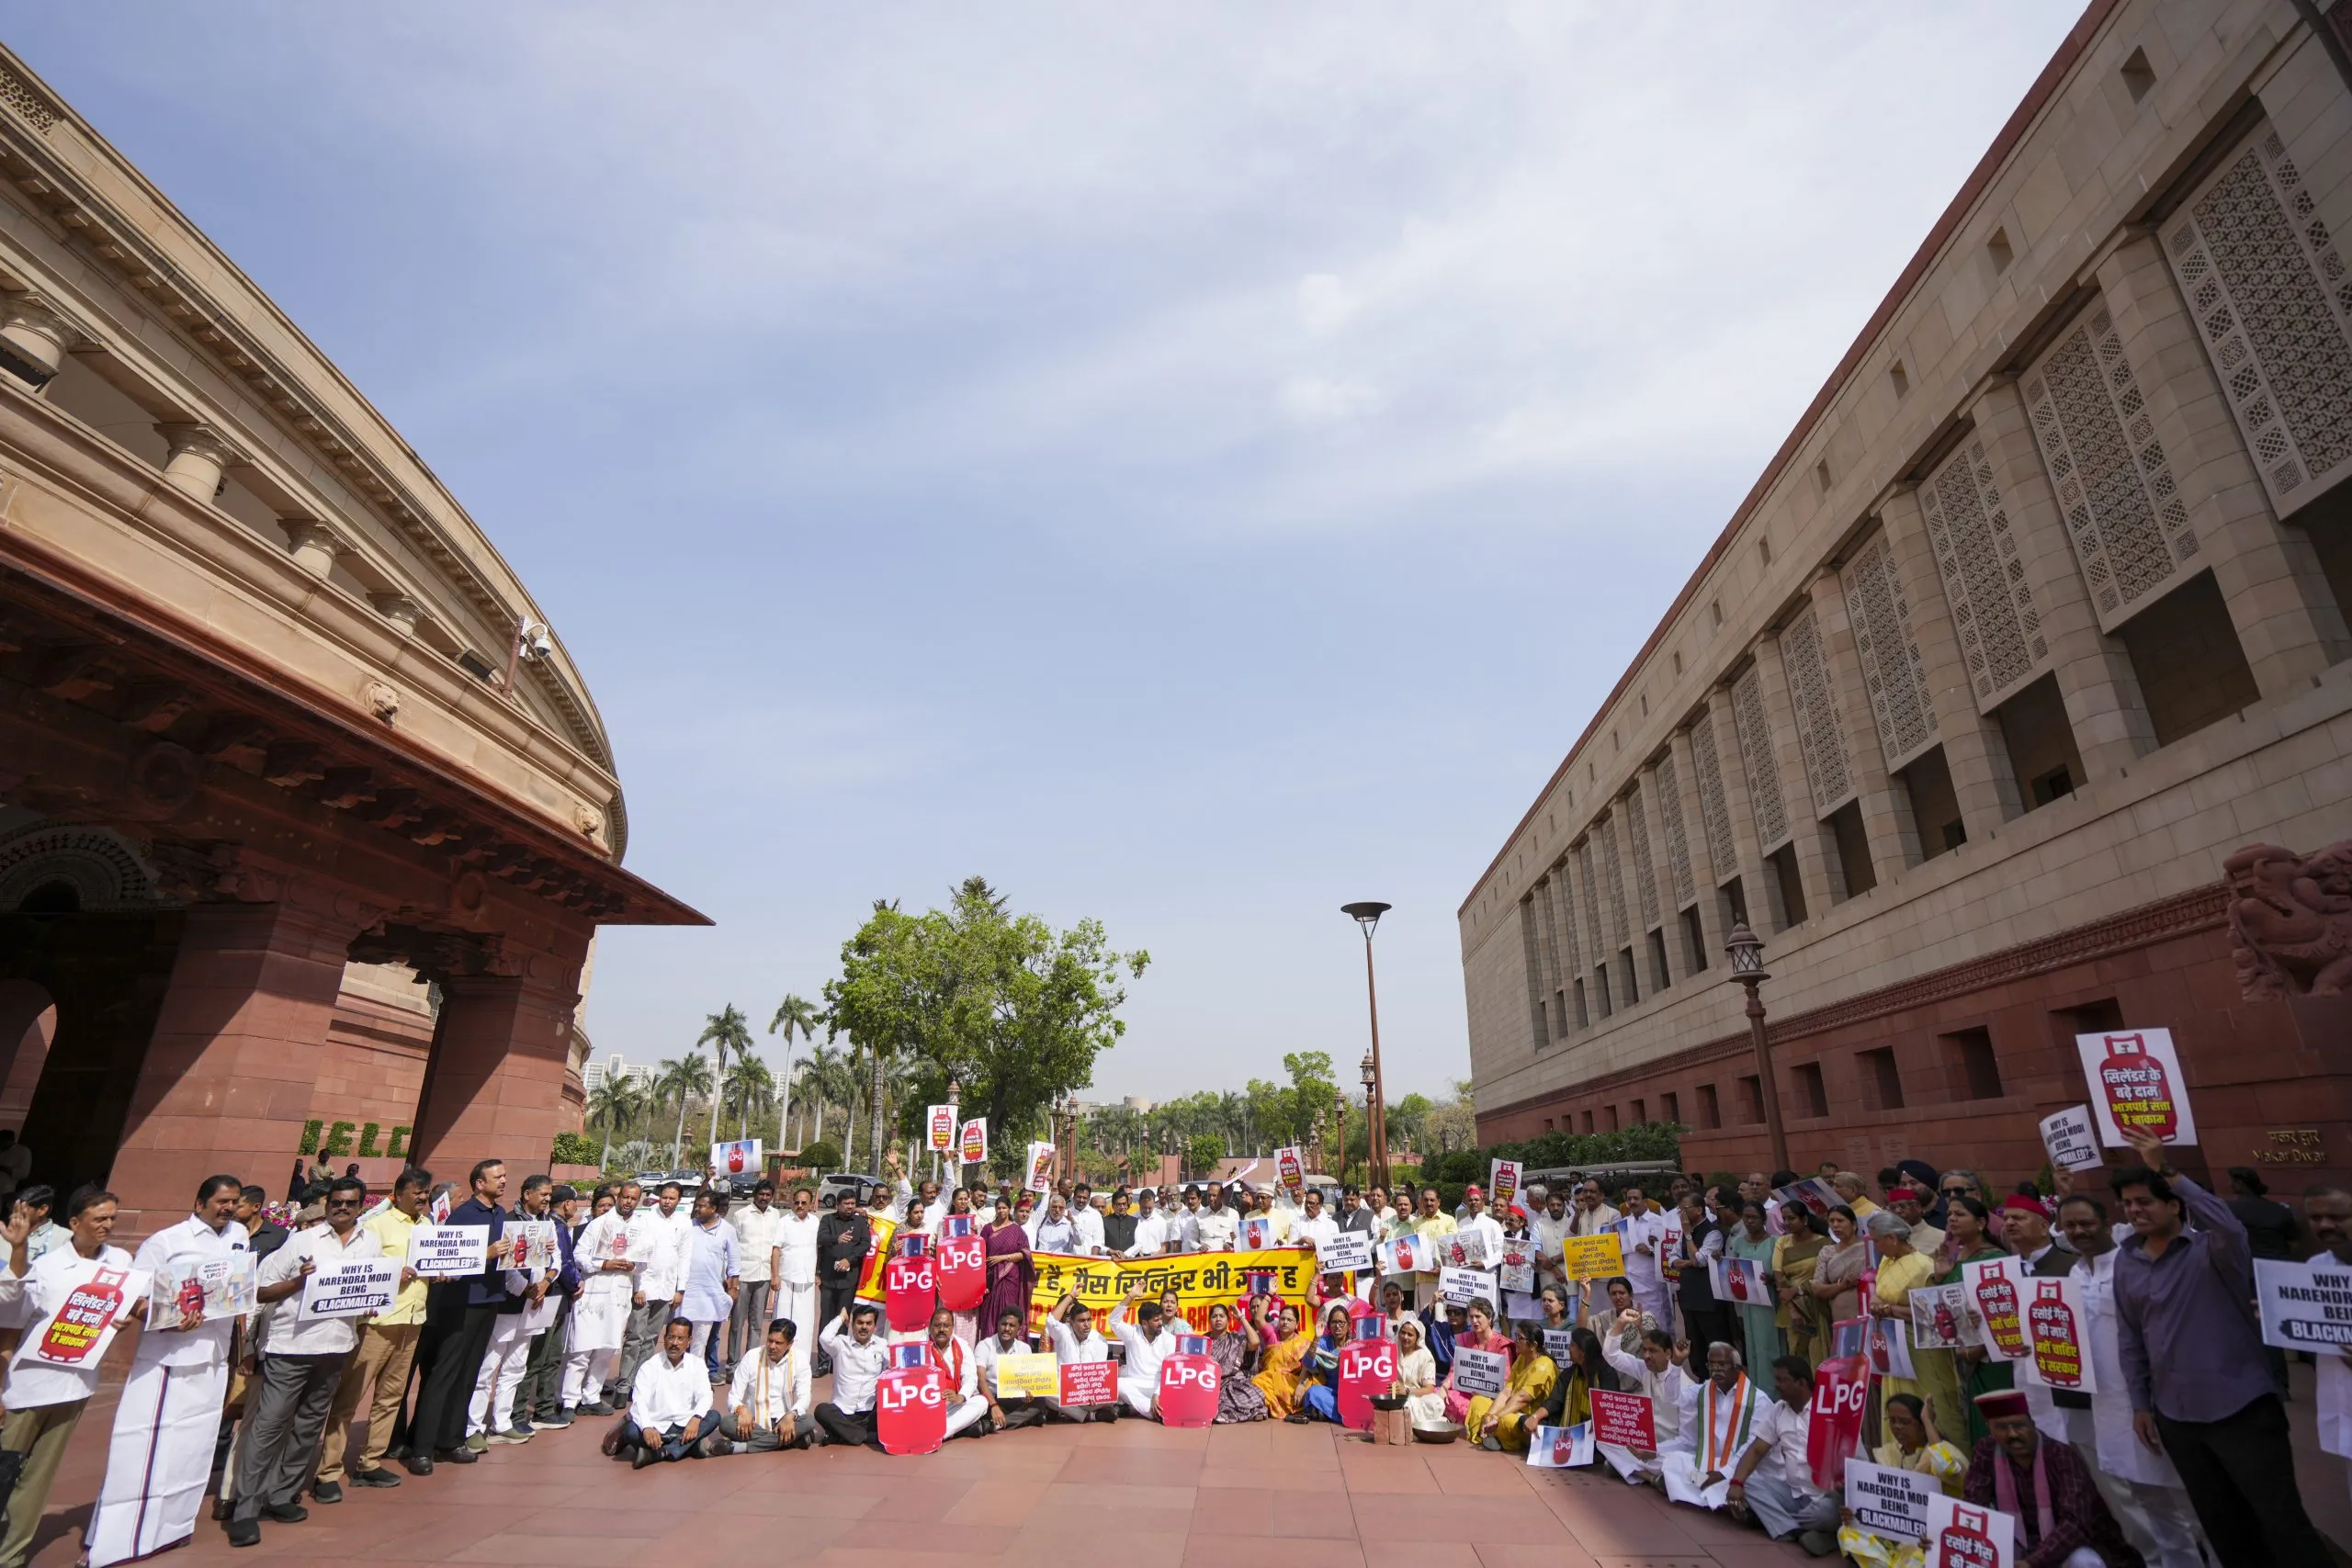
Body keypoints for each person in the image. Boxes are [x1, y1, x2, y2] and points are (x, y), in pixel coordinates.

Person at [2109, 1131, 2324, 1566]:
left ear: (2174, 1205)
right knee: (2222, 1524)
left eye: (2144, 1201)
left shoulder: (2215, 1250)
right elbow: (2131, 1338)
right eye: (2127, 1204)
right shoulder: (2126, 1261)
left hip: (2242, 1409)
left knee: (2281, 1521)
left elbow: (2226, 1223)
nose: (2134, 1210)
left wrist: (2165, 1168)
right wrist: (2141, 1404)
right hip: (2176, 1417)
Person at [87, 1175, 252, 1568]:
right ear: (199, 1204)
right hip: (168, 1360)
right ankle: (120, 1539)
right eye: (222, 1202)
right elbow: (135, 1296)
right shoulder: (166, 1242)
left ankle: (171, 1530)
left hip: (213, 1357)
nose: (229, 1208)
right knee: (145, 1447)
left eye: (234, 1201)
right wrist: (168, 1318)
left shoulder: (239, 1236)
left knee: (193, 1448)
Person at [2041, 1190, 2203, 1568]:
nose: (2079, 1231)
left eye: (2086, 1223)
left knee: (2191, 1499)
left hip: (2155, 1401)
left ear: (2106, 1223)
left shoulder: (2132, 1265)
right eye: (2070, 1225)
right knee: (2147, 1501)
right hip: (2108, 1408)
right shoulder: (2074, 1275)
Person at [228, 1175, 379, 1542]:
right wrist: (299, 1282)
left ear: (361, 1206)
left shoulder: (371, 1242)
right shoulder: (302, 1241)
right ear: (327, 1204)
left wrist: (370, 1301)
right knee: (269, 1425)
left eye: (350, 1203)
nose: (342, 1208)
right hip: (291, 1348)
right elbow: (261, 1291)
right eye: (336, 1202)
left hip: (336, 1346)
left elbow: (365, 1286)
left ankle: (282, 1495)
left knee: (309, 1426)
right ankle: (246, 1508)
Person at [0, 1188, 130, 1568]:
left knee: (37, 1479)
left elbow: (131, 1301)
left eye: (112, 1218)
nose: (107, 1225)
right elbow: (10, 1320)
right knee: (5, 1468)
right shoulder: (47, 1267)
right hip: (25, 1387)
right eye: (99, 1219)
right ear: (75, 1223)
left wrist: (127, 1316)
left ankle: (10, 1556)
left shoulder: (121, 1261)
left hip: (75, 1386)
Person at [313, 1166, 429, 1495]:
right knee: (350, 1397)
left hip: (412, 1320)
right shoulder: (375, 1226)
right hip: (377, 1323)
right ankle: (328, 1471)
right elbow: (361, 1271)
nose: (422, 1197)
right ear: (399, 1194)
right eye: (417, 1192)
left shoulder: (428, 1226)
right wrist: (393, 1275)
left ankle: (370, 1462)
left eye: (426, 1192)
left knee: (391, 1397)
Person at [407, 1158, 518, 1468]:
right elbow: (448, 1257)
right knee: (445, 1372)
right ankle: (422, 1448)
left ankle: (452, 1439)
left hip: (490, 1299)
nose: (503, 1181)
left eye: (504, 1176)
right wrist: (486, 1253)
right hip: (461, 1303)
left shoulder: (500, 1214)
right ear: (479, 1183)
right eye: (497, 1177)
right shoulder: (464, 1215)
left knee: (470, 1373)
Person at [1963, 1389, 2143, 1567]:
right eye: (2002, 1428)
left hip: (2070, 1545)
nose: (2013, 1434)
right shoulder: (1986, 1451)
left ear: (2033, 1423)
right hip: (2023, 1544)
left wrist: (2032, 1563)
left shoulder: (2060, 1456)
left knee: (2083, 1562)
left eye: (2019, 1425)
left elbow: (2075, 1524)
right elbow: (1973, 1504)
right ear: (1990, 1428)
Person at [468, 1174, 553, 1450]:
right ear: (527, 1194)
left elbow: (556, 1259)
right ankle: (473, 1426)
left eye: (550, 1195)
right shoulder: (507, 1221)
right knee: (488, 1366)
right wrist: (525, 1288)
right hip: (508, 1305)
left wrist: (545, 1282)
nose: (547, 1199)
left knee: (516, 1366)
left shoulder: (547, 1223)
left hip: (535, 1305)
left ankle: (502, 1422)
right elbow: (505, 1266)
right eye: (543, 1194)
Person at [1836, 1393, 1970, 1567]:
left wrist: (1928, 1421)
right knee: (1847, 1532)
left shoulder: (1942, 1451)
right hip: (1897, 1533)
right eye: (1893, 1421)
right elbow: (1879, 1501)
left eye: (1905, 1422)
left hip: (1933, 1536)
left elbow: (1946, 1467)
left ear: (1922, 1425)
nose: (1897, 1427)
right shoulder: (1889, 1452)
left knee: (1920, 1557)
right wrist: (1855, 1514)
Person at [1723, 1354, 1838, 1555]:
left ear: (1801, 1383)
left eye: (1782, 1380)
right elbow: (1756, 1450)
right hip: (1793, 1493)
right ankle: (1796, 1531)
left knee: (1824, 1514)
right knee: (1747, 1483)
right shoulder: (1779, 1410)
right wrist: (1736, 1483)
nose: (1776, 1385)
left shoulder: (1828, 1409)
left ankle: (1780, 1523)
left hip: (1824, 1497)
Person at [563, 1179, 658, 1417]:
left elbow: (645, 1261)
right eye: (625, 1197)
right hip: (593, 1294)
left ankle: (591, 1397)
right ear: (618, 1197)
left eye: (633, 1199)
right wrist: (604, 1264)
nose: (628, 1202)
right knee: (582, 1351)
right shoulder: (599, 1224)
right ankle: (569, 1401)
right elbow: (579, 1256)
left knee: (606, 1351)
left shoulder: (642, 1226)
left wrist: (633, 1266)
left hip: (619, 1296)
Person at [1661, 1342, 1764, 1512]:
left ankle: (1709, 1494)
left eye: (1722, 1365)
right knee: (1675, 1462)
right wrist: (1677, 1363)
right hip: (1706, 1466)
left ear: (1737, 1368)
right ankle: (1714, 1498)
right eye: (1712, 1365)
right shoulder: (1703, 1391)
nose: (1716, 1370)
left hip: (1736, 1469)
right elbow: (1672, 1398)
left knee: (1751, 1481)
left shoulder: (1758, 1401)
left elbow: (1752, 1445)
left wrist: (1724, 1473)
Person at [610, 1319, 725, 1465]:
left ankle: (661, 1452)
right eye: (671, 1337)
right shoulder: (650, 1366)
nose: (675, 1343)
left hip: (686, 1425)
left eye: (681, 1339)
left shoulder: (696, 1365)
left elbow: (705, 1395)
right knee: (631, 1432)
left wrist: (696, 1418)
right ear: (664, 1339)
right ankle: (688, 1446)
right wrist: (647, 1428)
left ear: (689, 1341)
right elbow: (639, 1402)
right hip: (657, 1426)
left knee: (713, 1416)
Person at [1600, 1327, 1690, 1483]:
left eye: (1653, 1351)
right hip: (1645, 1444)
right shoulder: (1645, 1370)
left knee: (1677, 1463)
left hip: (1667, 1450)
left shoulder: (1685, 1387)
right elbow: (1612, 1355)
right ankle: (1650, 1478)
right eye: (1644, 1350)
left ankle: (1629, 1469)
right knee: (1605, 1441)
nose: (1647, 1356)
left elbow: (1687, 1442)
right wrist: (1621, 1322)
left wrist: (1656, 1451)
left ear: (1668, 1354)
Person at [1866, 1212, 1931, 1418]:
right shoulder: (1887, 1260)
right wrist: (1875, 1302)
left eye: (1877, 1241)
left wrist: (1888, 1309)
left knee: (1916, 1399)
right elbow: (1879, 1293)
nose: (1875, 1247)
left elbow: (1929, 1312)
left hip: (1916, 1344)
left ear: (1892, 1238)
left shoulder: (1923, 1266)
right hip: (1890, 1343)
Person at [721, 1316, 813, 1450]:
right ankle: (788, 1440)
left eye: (778, 1343)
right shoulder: (752, 1357)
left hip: (784, 1422)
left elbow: (804, 1396)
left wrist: (790, 1416)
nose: (772, 1346)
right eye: (770, 1341)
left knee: (809, 1421)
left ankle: (741, 1448)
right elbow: (733, 1396)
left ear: (790, 1344)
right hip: (754, 1424)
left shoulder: (800, 1359)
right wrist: (742, 1410)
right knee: (726, 1423)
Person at [1466, 1318, 1555, 1451]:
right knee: (1477, 1401)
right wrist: (1489, 1415)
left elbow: (1522, 1399)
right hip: (1512, 1408)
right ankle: (1487, 1436)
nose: (1515, 1341)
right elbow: (1507, 1391)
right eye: (1515, 1336)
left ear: (1533, 1345)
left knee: (1506, 1420)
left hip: (1528, 1418)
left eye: (1520, 1338)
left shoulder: (1544, 1365)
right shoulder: (1522, 1357)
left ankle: (1504, 1440)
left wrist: (1497, 1417)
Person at [678, 1190, 741, 1379]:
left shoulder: (727, 1230)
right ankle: (678, 1376)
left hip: (709, 1295)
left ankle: (694, 1380)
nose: (698, 1209)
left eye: (702, 1206)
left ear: (713, 1209)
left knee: (700, 1343)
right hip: (686, 1293)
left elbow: (734, 1262)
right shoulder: (689, 1226)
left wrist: (733, 1288)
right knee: (679, 1338)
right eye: (697, 1205)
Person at [725, 1182, 782, 1378]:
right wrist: (732, 1278)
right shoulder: (741, 1215)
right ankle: (732, 1365)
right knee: (737, 1323)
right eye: (761, 1194)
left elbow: (776, 1247)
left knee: (757, 1323)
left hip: (764, 1276)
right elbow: (732, 1247)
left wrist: (775, 1274)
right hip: (743, 1275)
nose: (764, 1198)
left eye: (768, 1195)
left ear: (772, 1196)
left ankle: (751, 1365)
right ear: (755, 1194)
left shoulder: (775, 1215)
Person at [813, 1303, 888, 1448]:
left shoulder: (882, 1345)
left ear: (875, 1327)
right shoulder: (841, 1344)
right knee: (822, 1410)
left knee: (888, 1411)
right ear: (852, 1324)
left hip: (869, 1413)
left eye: (869, 1323)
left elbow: (894, 1365)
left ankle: (839, 1435)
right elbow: (824, 1338)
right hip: (842, 1411)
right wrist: (841, 1317)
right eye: (860, 1323)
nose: (864, 1327)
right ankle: (865, 1436)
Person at [1042, 1289, 1118, 1422]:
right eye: (1082, 1321)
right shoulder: (1064, 1332)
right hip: (1066, 1391)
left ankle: (1070, 1411)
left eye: (1089, 1320)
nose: (1087, 1324)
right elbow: (1051, 1321)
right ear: (1071, 1322)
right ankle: (1092, 1416)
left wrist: (1093, 1391)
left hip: (1090, 1396)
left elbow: (1099, 1373)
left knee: (1114, 1393)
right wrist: (1071, 1295)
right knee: (1046, 1393)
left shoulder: (1099, 1339)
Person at [1674, 1192, 1729, 1366]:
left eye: (1684, 1209)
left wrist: (1688, 1235)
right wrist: (1687, 1262)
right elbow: (1672, 1258)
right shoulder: (1683, 1233)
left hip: (1709, 1301)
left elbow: (1700, 1260)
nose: (1681, 1214)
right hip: (1689, 1299)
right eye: (1679, 1210)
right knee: (1696, 1349)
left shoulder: (1713, 1232)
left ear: (1698, 1209)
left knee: (1714, 1345)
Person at [976, 1307, 1052, 1430]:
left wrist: (1028, 1393)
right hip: (992, 1397)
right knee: (980, 1403)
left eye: (1012, 1325)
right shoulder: (985, 1345)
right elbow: (980, 1379)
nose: (1007, 1328)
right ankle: (1024, 1419)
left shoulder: (1025, 1348)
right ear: (998, 1324)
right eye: (1004, 1324)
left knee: (1040, 1401)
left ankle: (996, 1424)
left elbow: (1028, 1380)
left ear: (1019, 1329)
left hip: (1015, 1398)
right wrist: (993, 1405)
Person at [1725, 1201, 1781, 1364]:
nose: (1749, 1221)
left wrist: (1772, 1279)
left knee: (1770, 1345)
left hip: (1771, 1303)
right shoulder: (1738, 1243)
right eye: (1746, 1217)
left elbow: (1783, 1273)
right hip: (1748, 1304)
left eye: (1754, 1217)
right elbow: (1732, 1269)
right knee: (1752, 1347)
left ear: (1763, 1219)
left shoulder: (1775, 1242)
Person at [920, 1307, 988, 1438]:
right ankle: (954, 1429)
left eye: (946, 1326)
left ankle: (938, 1434)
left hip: (952, 1404)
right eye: (937, 1325)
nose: (941, 1330)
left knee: (981, 1402)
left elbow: (970, 1376)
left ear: (952, 1328)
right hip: (927, 1405)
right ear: (930, 1326)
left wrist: (960, 1397)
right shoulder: (920, 1346)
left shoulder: (962, 1345)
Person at [1109, 1284, 1175, 1419]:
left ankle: (1136, 1408)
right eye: (1156, 1320)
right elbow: (1113, 1321)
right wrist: (1130, 1296)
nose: (1160, 1323)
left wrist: (1157, 1394)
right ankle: (1151, 1411)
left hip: (1157, 1386)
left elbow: (1168, 1372)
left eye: (1160, 1319)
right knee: (1117, 1384)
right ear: (1144, 1323)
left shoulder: (1169, 1339)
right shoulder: (1132, 1333)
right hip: (1134, 1384)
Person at [1440, 1298, 1510, 1426]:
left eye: (1478, 1316)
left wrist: (1484, 1393)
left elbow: (1505, 1381)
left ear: (1489, 1318)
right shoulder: (1466, 1339)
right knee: (1438, 1395)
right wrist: (1444, 1387)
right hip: (1465, 1394)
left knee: (1478, 1407)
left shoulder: (1502, 1345)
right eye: (1471, 1317)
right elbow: (1455, 1369)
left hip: (1490, 1399)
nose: (1474, 1321)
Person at [772, 1186, 820, 1354]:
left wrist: (817, 1273)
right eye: (797, 1202)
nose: (800, 1206)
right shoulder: (784, 1222)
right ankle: (780, 1355)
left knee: (806, 1322)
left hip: (807, 1281)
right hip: (787, 1279)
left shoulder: (815, 1222)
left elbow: (818, 1249)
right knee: (783, 1319)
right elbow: (776, 1249)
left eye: (804, 1203)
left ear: (811, 1204)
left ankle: (802, 1359)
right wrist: (775, 1276)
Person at [815, 1188, 870, 1332]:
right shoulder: (827, 1219)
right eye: (846, 1203)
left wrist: (849, 1260)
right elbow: (821, 1238)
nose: (850, 1206)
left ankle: (840, 1347)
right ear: (837, 1205)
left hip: (849, 1280)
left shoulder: (860, 1222)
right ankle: (823, 1347)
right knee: (826, 1319)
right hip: (828, 1279)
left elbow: (865, 1244)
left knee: (843, 1319)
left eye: (852, 1203)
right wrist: (836, 1239)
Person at [1250, 1301, 1316, 1422]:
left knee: (1311, 1385)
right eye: (1282, 1319)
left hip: (1291, 1384)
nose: (1285, 1322)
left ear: (1297, 1324)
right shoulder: (1272, 1336)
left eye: (1289, 1320)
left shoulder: (1303, 1344)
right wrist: (1269, 1294)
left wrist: (1301, 1386)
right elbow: (1258, 1319)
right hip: (1269, 1381)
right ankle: (1276, 1408)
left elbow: (1306, 1369)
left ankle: (1271, 1408)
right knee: (1256, 1381)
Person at [1202, 1303, 1266, 1423]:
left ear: (1228, 1320)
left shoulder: (1235, 1339)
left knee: (1254, 1393)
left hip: (1233, 1381)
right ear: (1209, 1320)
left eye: (1222, 1316)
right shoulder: (1203, 1341)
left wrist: (1241, 1318)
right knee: (1211, 1399)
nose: (1218, 1319)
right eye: (1214, 1316)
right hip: (1209, 1382)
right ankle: (1242, 1412)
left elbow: (1255, 1342)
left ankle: (1235, 1412)